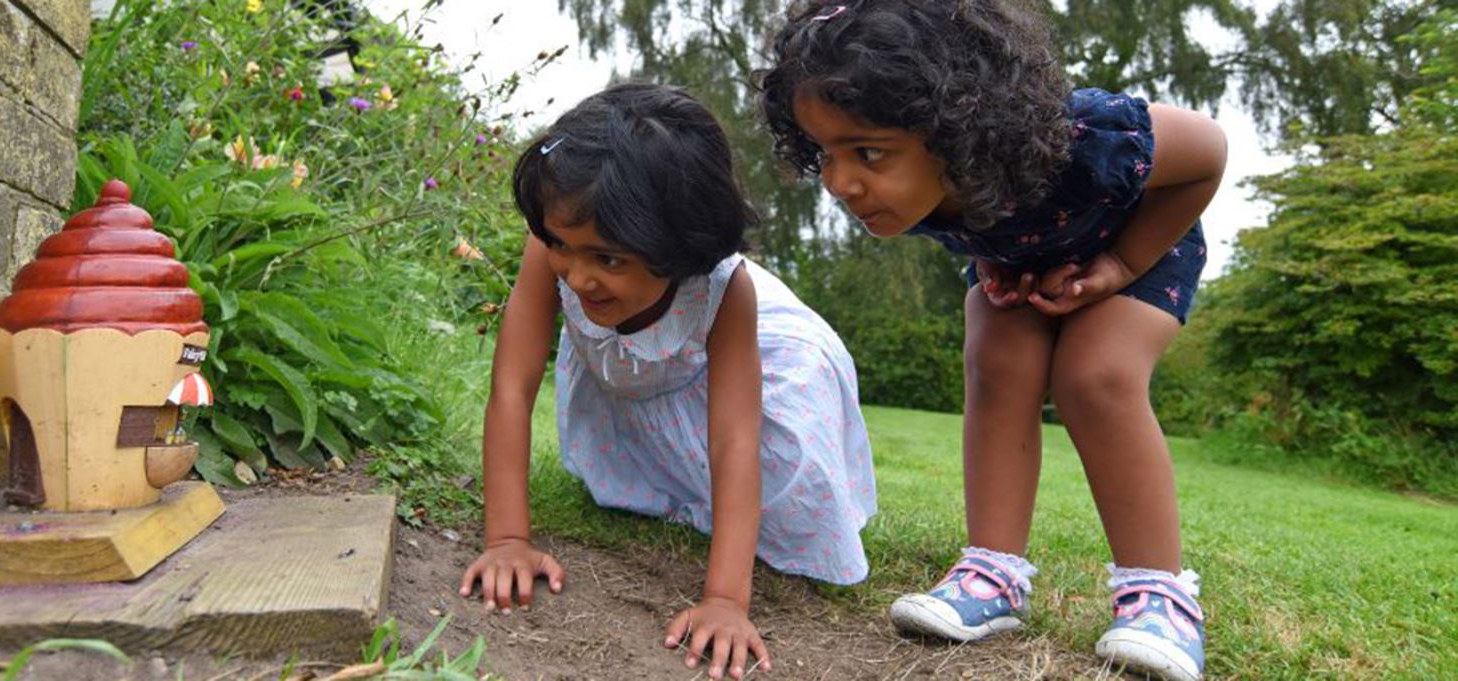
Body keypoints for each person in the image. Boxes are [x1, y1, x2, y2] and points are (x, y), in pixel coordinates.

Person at [757, 3, 1226, 680]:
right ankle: (993, 575)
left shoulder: (1089, 137)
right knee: (997, 360)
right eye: (824, 154)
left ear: (957, 128)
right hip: (1027, 259)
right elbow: (985, 225)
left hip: (1140, 249)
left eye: (866, 152)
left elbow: (1208, 154)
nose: (840, 182)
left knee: (1094, 376)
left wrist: (1120, 266)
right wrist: (988, 264)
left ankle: (1159, 594)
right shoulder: (905, 187)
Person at [459, 82, 876, 680]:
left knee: (774, 477)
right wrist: (505, 539)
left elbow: (734, 437)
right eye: (561, 247)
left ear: (681, 249)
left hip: (770, 362)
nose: (576, 277)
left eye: (608, 259)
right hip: (647, 370)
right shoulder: (558, 241)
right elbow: (512, 388)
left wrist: (726, 600)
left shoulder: (724, 288)